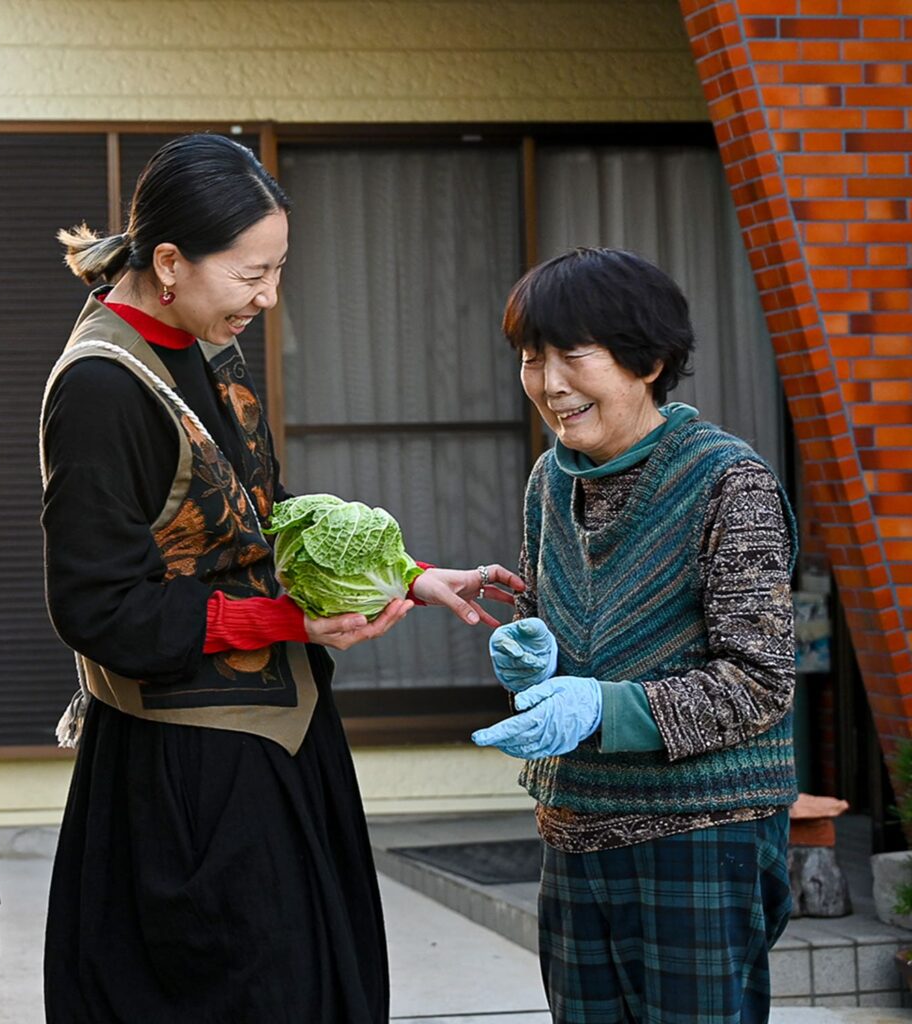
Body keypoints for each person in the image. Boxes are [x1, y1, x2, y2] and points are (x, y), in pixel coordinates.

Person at [40, 132, 522, 1024]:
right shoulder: (102, 388)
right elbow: (100, 609)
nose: (268, 296)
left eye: (279, 269)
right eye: (252, 274)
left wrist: (404, 575)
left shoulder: (197, 337)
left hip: (275, 739)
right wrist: (286, 623)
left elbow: (266, 516)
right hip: (188, 770)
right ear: (171, 262)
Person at [472, 247, 797, 1024]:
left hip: (702, 833)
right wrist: (531, 662)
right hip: (572, 826)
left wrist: (600, 706)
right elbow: (557, 635)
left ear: (648, 361)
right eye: (531, 359)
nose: (550, 383)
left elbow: (760, 682)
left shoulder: (728, 481)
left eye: (573, 355)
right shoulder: (550, 481)